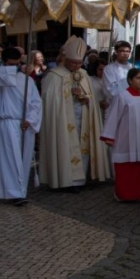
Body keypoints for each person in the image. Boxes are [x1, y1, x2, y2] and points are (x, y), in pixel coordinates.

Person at [39, 36, 110, 190]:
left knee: (82, 145)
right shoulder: (54, 75)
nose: (77, 66)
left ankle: (81, 179)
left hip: (83, 116)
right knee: (66, 146)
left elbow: (92, 97)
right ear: (66, 60)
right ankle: (66, 180)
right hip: (63, 118)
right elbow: (50, 100)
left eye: (79, 62)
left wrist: (87, 99)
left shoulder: (84, 74)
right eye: (73, 62)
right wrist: (68, 92)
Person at [0, 47, 41, 206]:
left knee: (23, 158)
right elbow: (2, 78)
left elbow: (36, 103)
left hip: (24, 122)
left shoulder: (27, 80)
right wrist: (11, 69)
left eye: (18, 64)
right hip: (7, 121)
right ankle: (14, 193)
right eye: (12, 64)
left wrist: (30, 119)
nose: (15, 68)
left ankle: (21, 189)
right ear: (4, 63)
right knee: (10, 158)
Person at [100, 68, 140, 202]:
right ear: (130, 80)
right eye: (138, 78)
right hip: (126, 137)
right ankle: (124, 194)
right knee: (126, 166)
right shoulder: (123, 96)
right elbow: (113, 116)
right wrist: (109, 136)